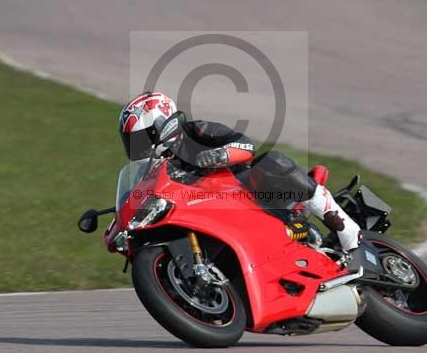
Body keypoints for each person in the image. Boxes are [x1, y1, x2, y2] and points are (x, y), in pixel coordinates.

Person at [118, 91, 360, 256]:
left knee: (272, 162)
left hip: (253, 195)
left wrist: (218, 155)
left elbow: (245, 145)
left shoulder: (197, 130)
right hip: (213, 216)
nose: (140, 149)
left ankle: (344, 227)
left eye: (142, 139)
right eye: (133, 143)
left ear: (160, 125)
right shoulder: (153, 173)